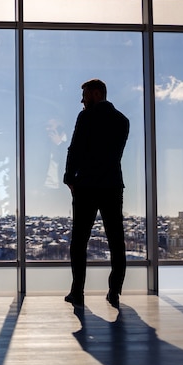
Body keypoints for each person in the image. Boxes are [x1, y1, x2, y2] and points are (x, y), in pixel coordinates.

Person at [63, 79, 129, 308]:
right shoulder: (122, 121)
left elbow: (76, 148)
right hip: (112, 185)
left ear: (97, 93)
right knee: (116, 241)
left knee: (79, 241)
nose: (82, 100)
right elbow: (114, 155)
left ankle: (77, 292)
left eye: (85, 94)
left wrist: (69, 178)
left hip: (87, 186)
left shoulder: (86, 117)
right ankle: (115, 292)